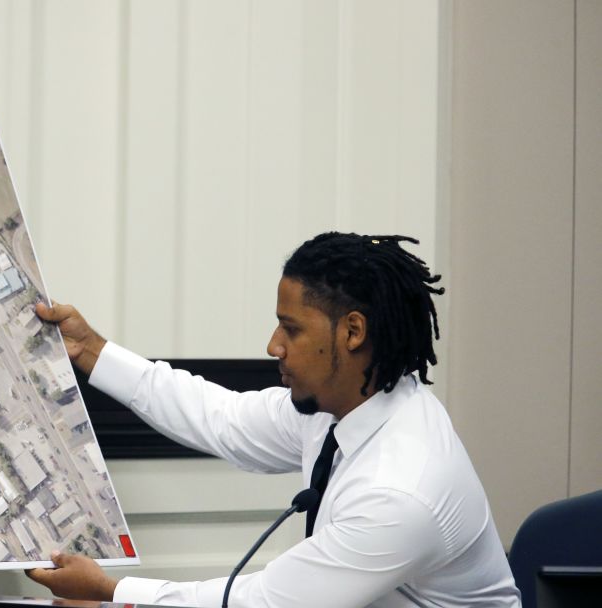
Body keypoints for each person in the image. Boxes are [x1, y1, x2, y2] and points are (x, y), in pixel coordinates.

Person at [27, 233, 521, 607]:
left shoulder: (400, 490)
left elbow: (266, 603)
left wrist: (114, 594)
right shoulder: (339, 408)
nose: (273, 346)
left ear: (353, 332)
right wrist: (90, 350)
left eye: (292, 328)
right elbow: (219, 416)